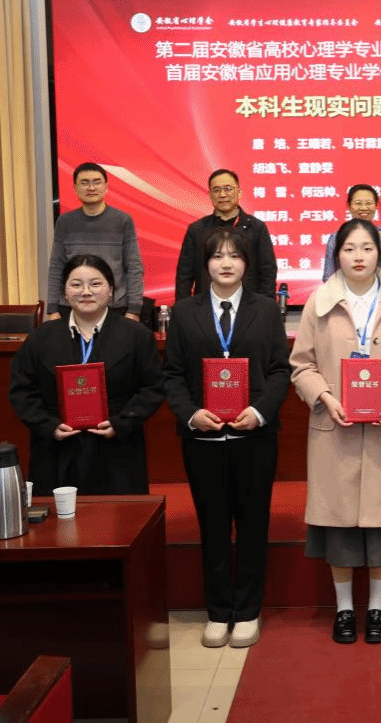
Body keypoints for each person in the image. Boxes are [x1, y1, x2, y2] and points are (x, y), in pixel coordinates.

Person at [289, 219, 381, 645]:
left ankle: (376, 609)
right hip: (335, 429)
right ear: (336, 254)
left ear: (380, 253)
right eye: (349, 248)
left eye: (367, 248)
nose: (358, 257)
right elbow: (301, 365)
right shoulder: (318, 302)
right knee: (338, 527)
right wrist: (324, 396)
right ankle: (343, 610)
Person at [163, 227, 290, 650]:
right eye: (217, 256)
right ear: (206, 264)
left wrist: (259, 411)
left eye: (234, 255)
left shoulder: (266, 310)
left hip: (254, 438)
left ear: (246, 264)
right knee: (213, 527)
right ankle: (218, 611)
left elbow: (280, 370)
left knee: (252, 525)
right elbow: (172, 374)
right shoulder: (185, 312)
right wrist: (190, 414)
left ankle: (248, 610)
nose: (226, 263)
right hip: (203, 440)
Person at [9, 254, 164, 495]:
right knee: (59, 518)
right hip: (56, 450)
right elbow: (22, 390)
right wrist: (48, 425)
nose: (86, 292)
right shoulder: (41, 337)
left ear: (111, 290)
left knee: (118, 517)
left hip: (117, 450)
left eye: (95, 284)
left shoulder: (136, 336)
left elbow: (153, 387)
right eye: (76, 284)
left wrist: (121, 422)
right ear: (65, 291)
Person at [46, 162, 144, 320]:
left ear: (106, 187)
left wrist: (134, 309)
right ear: (75, 188)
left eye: (97, 182)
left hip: (115, 307)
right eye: (84, 183)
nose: (91, 188)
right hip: (72, 307)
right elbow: (57, 266)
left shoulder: (122, 220)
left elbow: (134, 266)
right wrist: (52, 308)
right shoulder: (65, 222)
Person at [176, 169, 277, 301]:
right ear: (210, 195)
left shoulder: (256, 227)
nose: (222, 194)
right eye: (216, 190)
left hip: (248, 305)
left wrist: (266, 307)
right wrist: (183, 309)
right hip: (206, 306)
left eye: (228, 189)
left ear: (239, 192)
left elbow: (268, 272)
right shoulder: (197, 230)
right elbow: (184, 275)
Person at [322, 184, 381, 281]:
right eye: (358, 203)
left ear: (376, 206)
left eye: (368, 203)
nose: (364, 208)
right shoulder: (336, 237)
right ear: (349, 206)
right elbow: (329, 276)